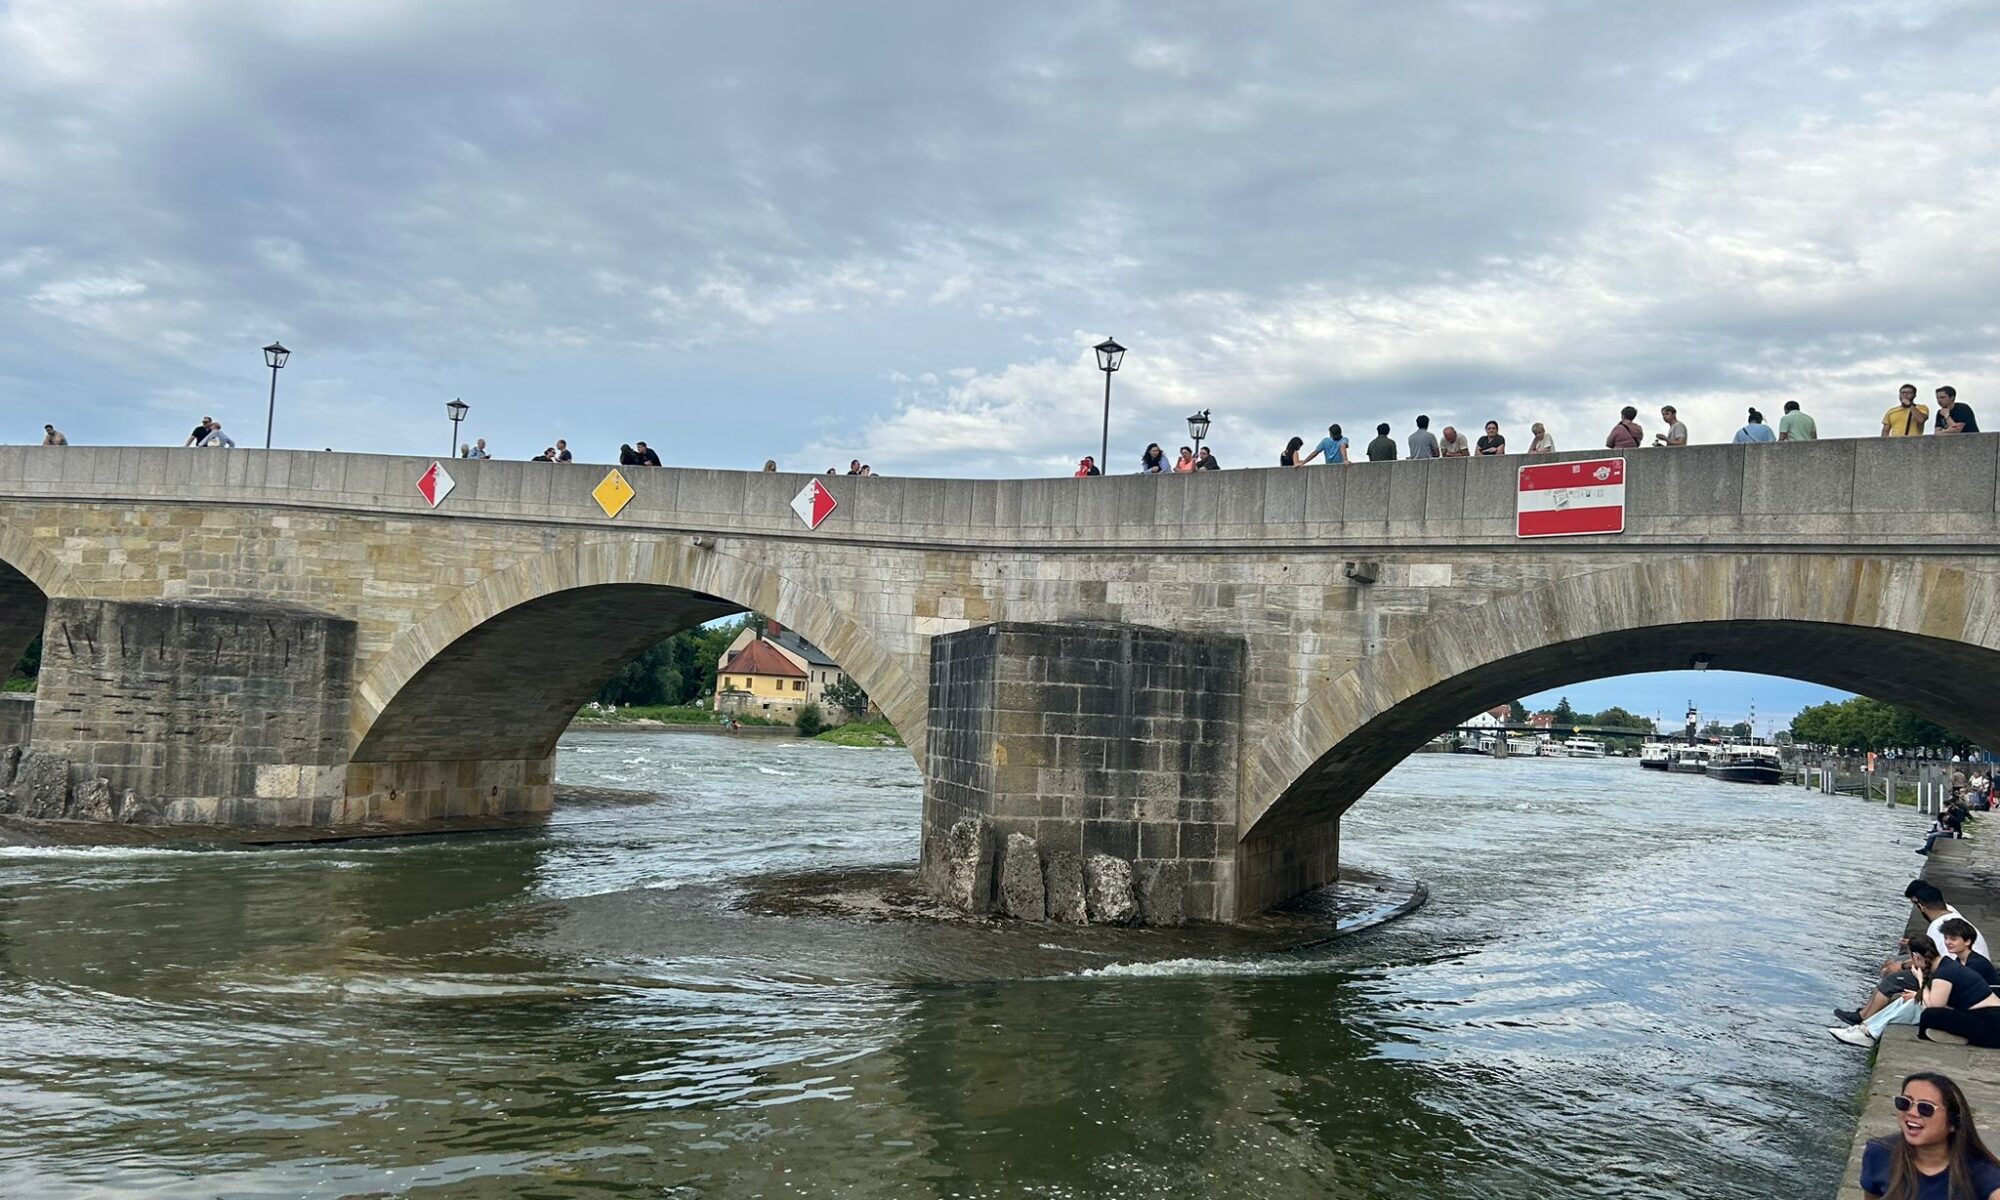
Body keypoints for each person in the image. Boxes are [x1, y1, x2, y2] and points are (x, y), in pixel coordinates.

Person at [1838, 883, 1991, 1027]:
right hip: (1959, 968)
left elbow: (1934, 959)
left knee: (1892, 978)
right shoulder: (1949, 913)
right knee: (1893, 963)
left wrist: (1903, 966)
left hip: (1954, 975)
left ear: (1922, 907)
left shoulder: (1938, 927)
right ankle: (1868, 1010)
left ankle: (1865, 1020)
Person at [1856, 1071, 2000, 1199]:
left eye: (1925, 1108)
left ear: (1953, 1123)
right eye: (1904, 1103)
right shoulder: (1880, 1152)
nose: (1912, 1113)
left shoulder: (1982, 1173)